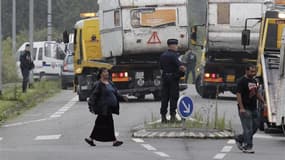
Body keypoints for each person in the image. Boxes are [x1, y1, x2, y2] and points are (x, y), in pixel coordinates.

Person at [85, 68, 128, 147]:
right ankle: (114, 141)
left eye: (107, 72)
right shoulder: (98, 84)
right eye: (105, 72)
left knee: (101, 123)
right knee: (107, 123)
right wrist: (91, 107)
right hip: (103, 108)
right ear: (101, 74)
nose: (107, 73)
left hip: (109, 108)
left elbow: (116, 93)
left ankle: (91, 139)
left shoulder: (110, 83)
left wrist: (122, 97)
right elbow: (93, 96)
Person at [235, 64, 265, 154]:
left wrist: (263, 102)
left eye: (254, 71)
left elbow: (256, 93)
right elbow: (238, 95)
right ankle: (248, 146)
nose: (253, 73)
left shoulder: (254, 81)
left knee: (255, 127)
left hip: (254, 108)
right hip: (245, 108)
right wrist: (241, 108)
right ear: (246, 71)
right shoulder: (241, 81)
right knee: (248, 128)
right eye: (251, 71)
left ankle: (240, 138)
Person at [159, 39, 186, 123]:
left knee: (164, 98)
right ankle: (172, 116)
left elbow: (161, 68)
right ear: (173, 46)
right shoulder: (174, 55)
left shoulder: (163, 55)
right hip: (173, 79)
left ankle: (163, 117)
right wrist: (183, 69)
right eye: (176, 45)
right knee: (173, 97)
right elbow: (181, 67)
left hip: (165, 78)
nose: (177, 47)